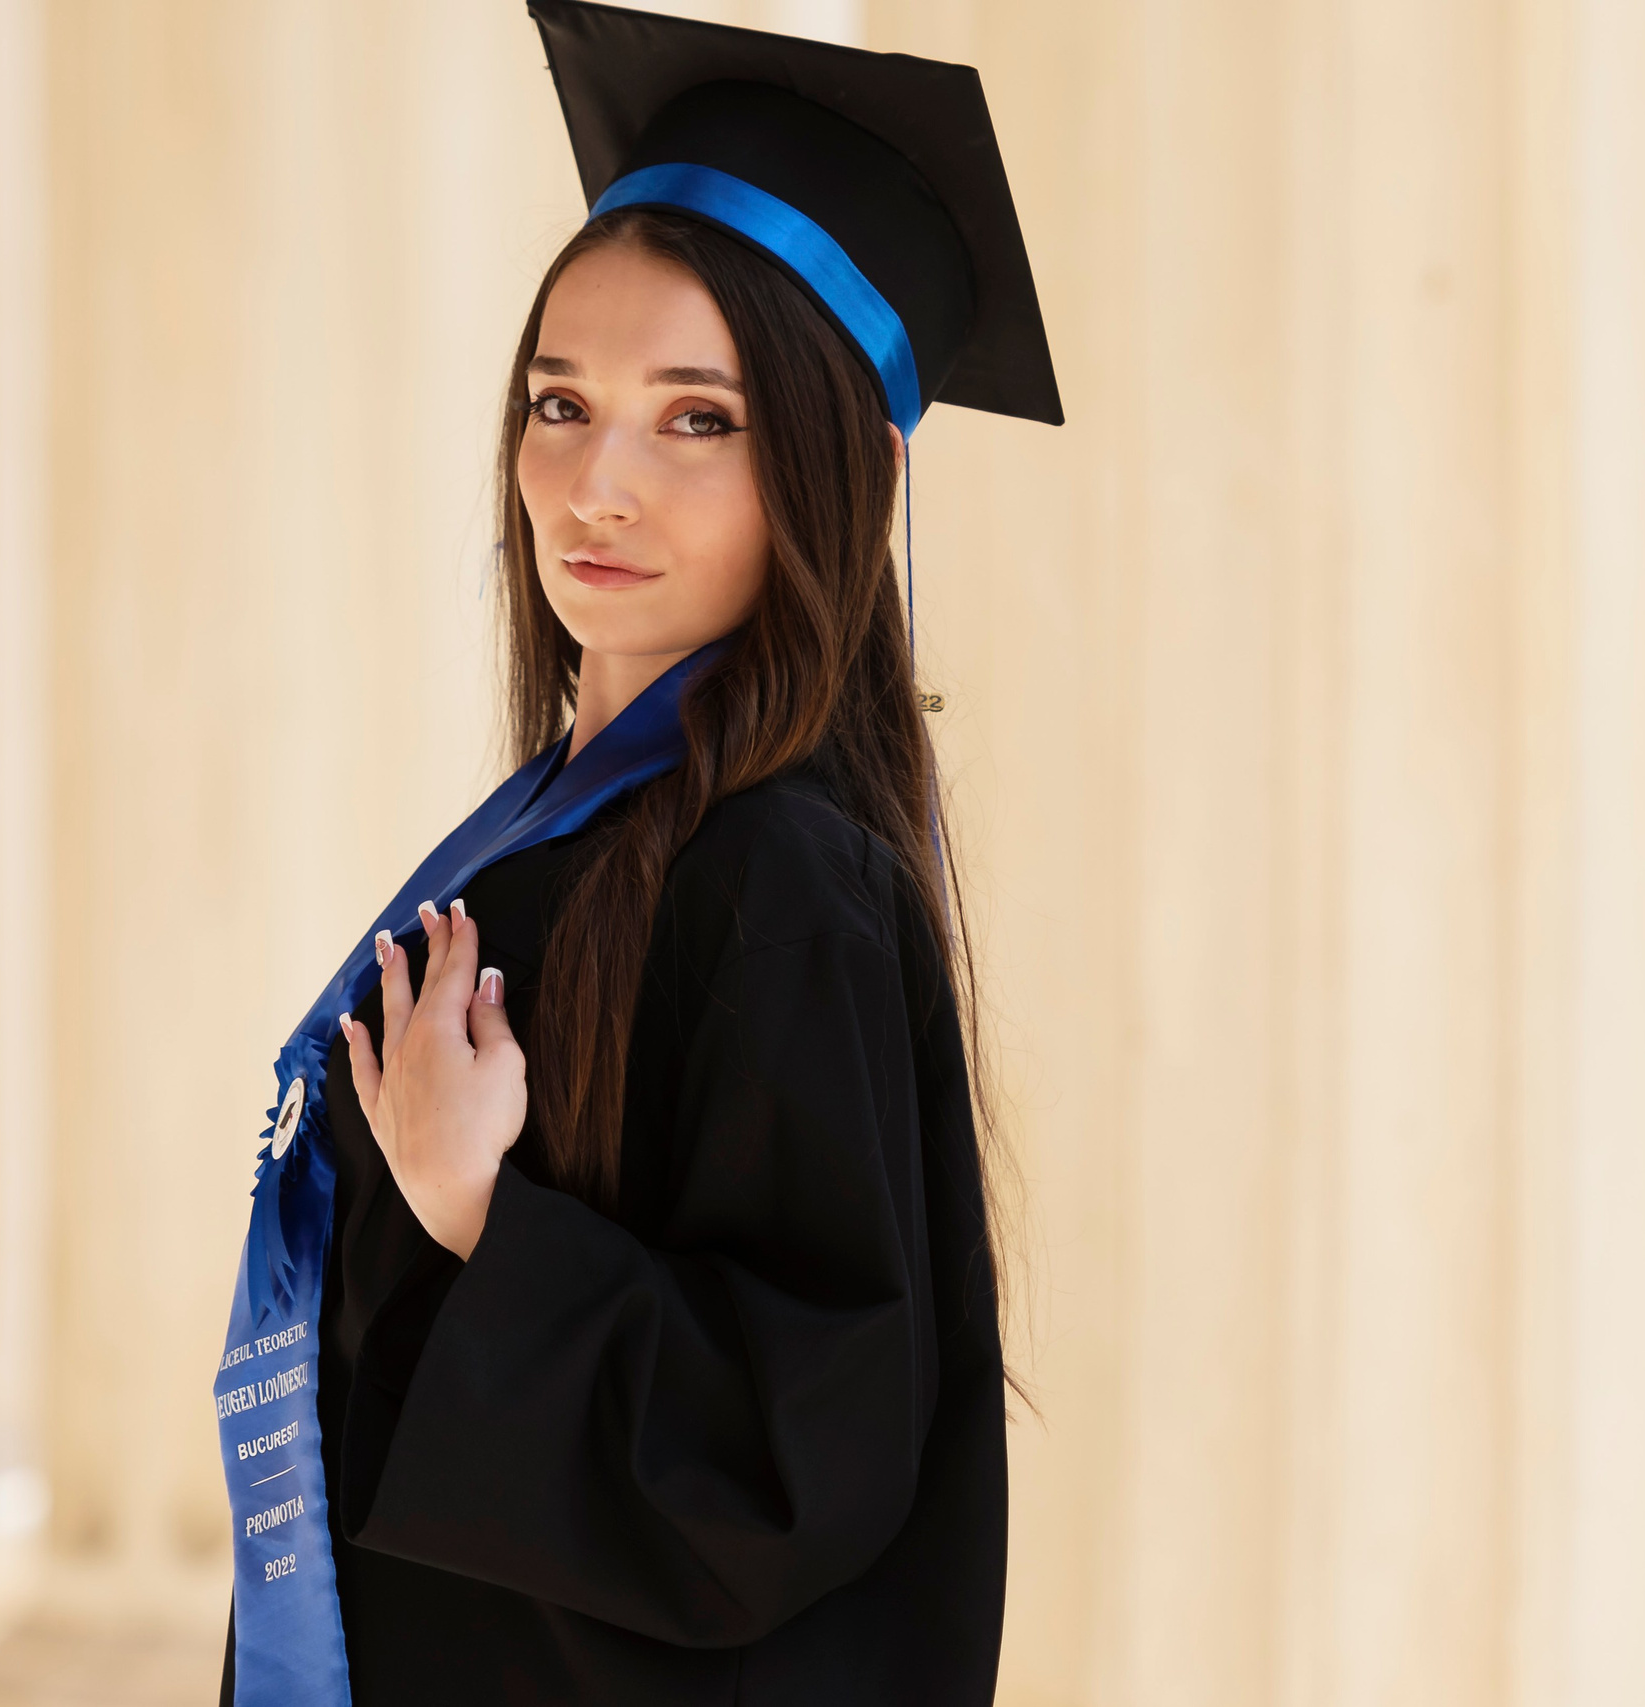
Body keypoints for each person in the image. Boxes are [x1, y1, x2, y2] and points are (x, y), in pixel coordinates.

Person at [213, 4, 1062, 1701]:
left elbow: (789, 1466)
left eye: (698, 420)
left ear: (842, 471)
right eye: (559, 402)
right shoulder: (576, 824)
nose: (595, 484)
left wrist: (477, 1213)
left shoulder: (781, 884)